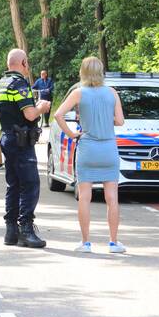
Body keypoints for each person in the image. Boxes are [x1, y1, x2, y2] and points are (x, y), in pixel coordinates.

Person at [53, 56, 126, 254]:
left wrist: (70, 133)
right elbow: (120, 121)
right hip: (108, 149)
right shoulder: (112, 93)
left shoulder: (78, 93)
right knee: (112, 198)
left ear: (83, 72)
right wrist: (105, 116)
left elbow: (58, 115)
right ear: (101, 71)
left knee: (85, 197)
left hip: (87, 148)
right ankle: (113, 242)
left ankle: (85, 243)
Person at [0, 49, 51, 248]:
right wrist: (42, 107)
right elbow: (29, 114)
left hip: (7, 137)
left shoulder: (0, 83)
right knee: (30, 184)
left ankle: (11, 231)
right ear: (24, 62)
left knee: (13, 184)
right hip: (21, 141)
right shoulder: (19, 84)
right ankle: (26, 228)